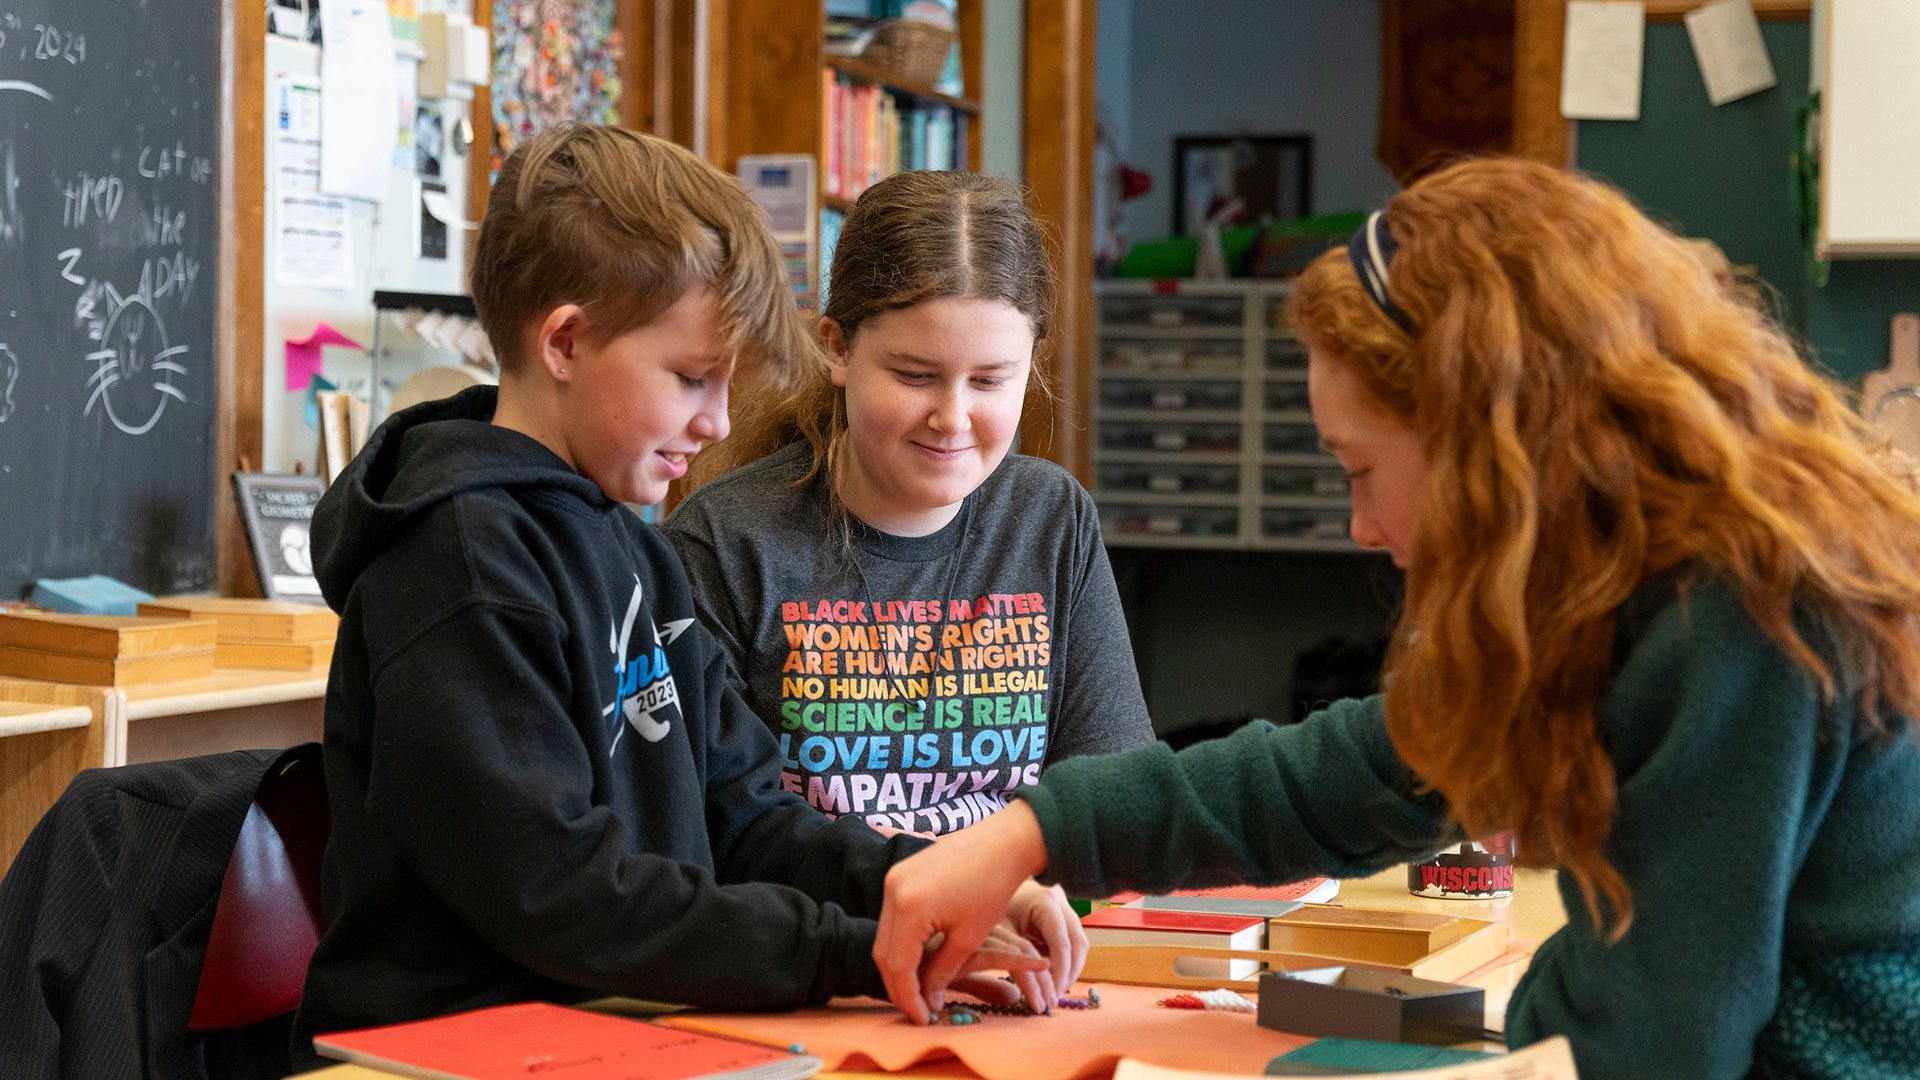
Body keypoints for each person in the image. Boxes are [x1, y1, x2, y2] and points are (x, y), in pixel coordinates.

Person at [870, 158, 1920, 1080]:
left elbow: (1642, 1044)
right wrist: (1033, 829)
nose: (1362, 523)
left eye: (1360, 467)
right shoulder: (1633, 577)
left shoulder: (1737, 610)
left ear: (1488, 446)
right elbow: (1358, 773)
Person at [290, 125, 1080, 1060]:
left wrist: (947, 883)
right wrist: (856, 949)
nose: (714, 422)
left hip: (624, 1027)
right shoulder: (461, 563)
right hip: (451, 1052)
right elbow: (562, 893)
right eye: (691, 379)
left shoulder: (630, 544)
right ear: (567, 342)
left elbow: (749, 815)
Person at [664, 170, 1154, 838]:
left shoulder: (1050, 519)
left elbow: (1117, 802)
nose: (952, 418)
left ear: (1030, 361)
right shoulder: (722, 545)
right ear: (837, 346)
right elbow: (710, 834)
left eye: (989, 380)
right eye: (915, 376)